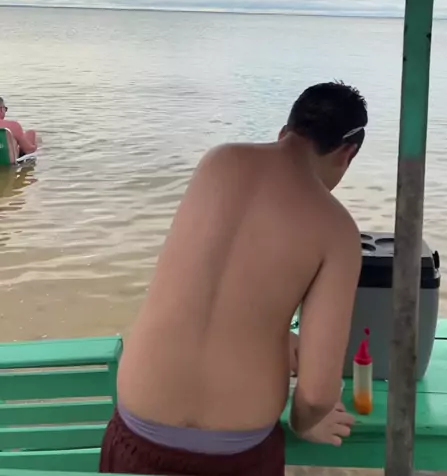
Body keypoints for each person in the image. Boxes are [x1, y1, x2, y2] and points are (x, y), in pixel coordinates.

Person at [100, 82, 367, 476]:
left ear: (285, 131)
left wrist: (274, 334)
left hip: (139, 429)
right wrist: (306, 423)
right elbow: (316, 394)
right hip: (234, 453)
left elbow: (209, 284)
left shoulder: (219, 162)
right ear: (347, 153)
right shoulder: (338, 228)